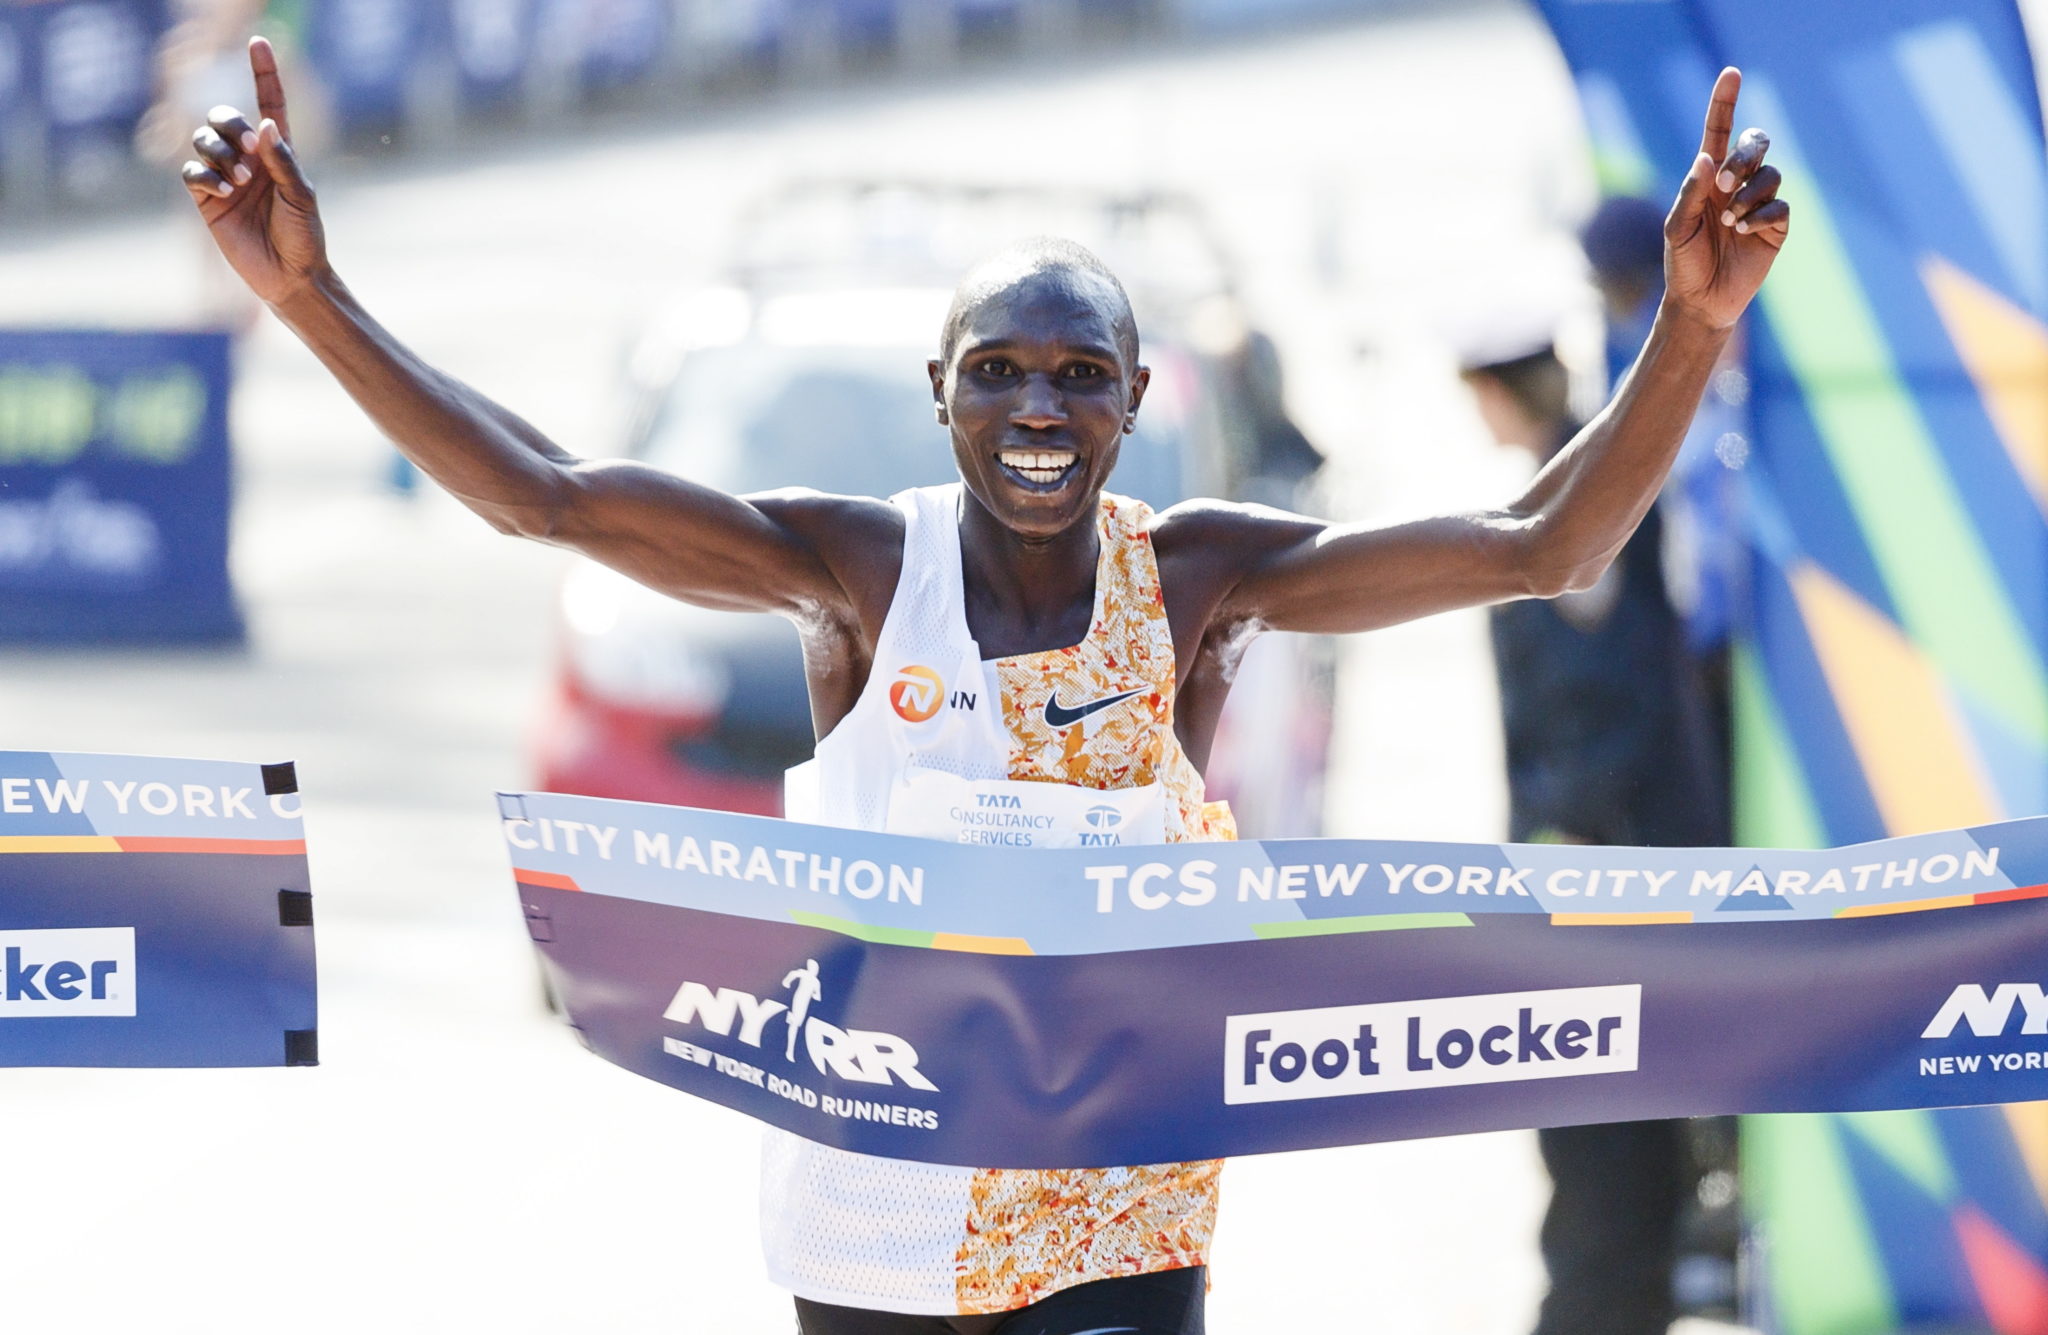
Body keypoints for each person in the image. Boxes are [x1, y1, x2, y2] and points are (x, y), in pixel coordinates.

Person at [178, 38, 1788, 1335]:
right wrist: (308, 297)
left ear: (1136, 399)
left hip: (1113, 1176)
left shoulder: (1202, 581)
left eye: (1080, 374)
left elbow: (1539, 541)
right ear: (937, 392)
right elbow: (546, 493)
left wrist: (1693, 328)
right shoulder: (863, 573)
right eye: (1000, 370)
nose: (1040, 405)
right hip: (876, 1176)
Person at [1460, 331, 1731, 1335]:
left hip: (1598, 894)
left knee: (1601, 1156)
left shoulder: (1571, 495)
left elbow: (1600, 697)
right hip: (1613, 877)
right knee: (1617, 1152)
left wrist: (1566, 836)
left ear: (1490, 388)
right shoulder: (1582, 476)